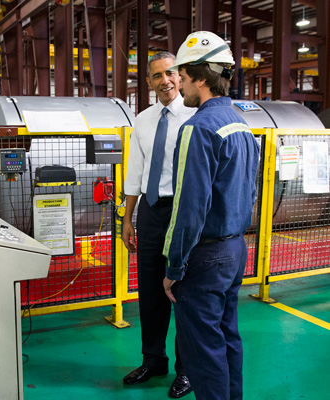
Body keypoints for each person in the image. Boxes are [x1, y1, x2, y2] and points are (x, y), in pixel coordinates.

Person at [162, 31, 260, 400]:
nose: (179, 85)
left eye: (183, 77)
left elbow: (189, 209)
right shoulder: (241, 125)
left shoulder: (197, 128)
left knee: (203, 351)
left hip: (203, 257)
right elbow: (249, 191)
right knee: (226, 337)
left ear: (201, 77)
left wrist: (173, 269)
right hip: (235, 250)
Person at [122, 51, 196, 398]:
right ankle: (153, 360)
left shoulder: (196, 117)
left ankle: (186, 369)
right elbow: (135, 171)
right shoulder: (143, 119)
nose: (164, 80)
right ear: (149, 82)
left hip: (182, 211)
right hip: (150, 211)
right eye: (156, 76)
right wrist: (128, 218)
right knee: (150, 291)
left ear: (180, 77)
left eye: (169, 73)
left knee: (181, 291)